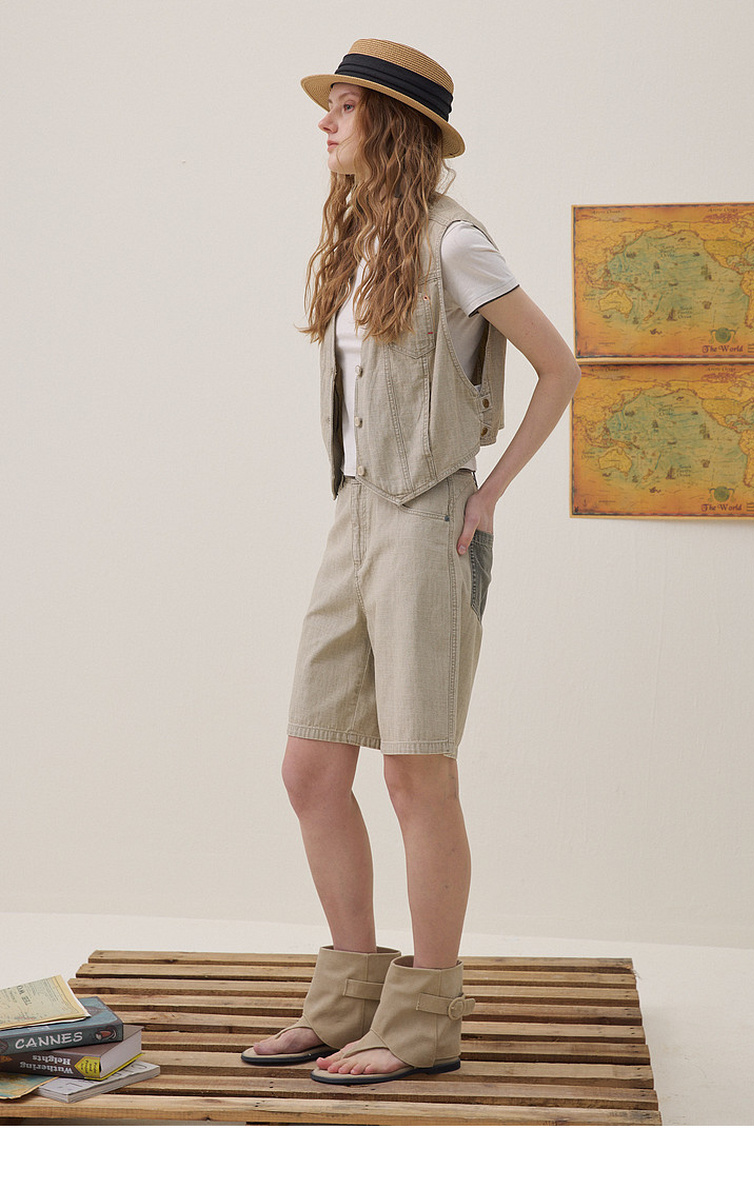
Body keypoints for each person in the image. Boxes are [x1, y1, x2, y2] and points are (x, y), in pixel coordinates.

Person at [241, 39, 580, 1086]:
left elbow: (559, 367)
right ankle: (349, 996)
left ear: (390, 125)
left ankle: (427, 1014)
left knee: (415, 771)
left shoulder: (454, 242)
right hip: (354, 516)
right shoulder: (360, 240)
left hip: (431, 519)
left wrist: (486, 492)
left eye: (343, 107)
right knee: (309, 768)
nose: (324, 121)